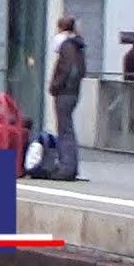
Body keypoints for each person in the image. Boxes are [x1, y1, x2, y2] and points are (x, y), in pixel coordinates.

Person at [49, 16, 86, 181]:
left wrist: (55, 86)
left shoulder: (66, 46)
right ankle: (71, 166)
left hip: (65, 93)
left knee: (64, 130)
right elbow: (81, 70)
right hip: (73, 92)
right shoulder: (77, 45)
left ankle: (66, 168)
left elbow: (68, 69)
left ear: (60, 28)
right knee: (68, 129)